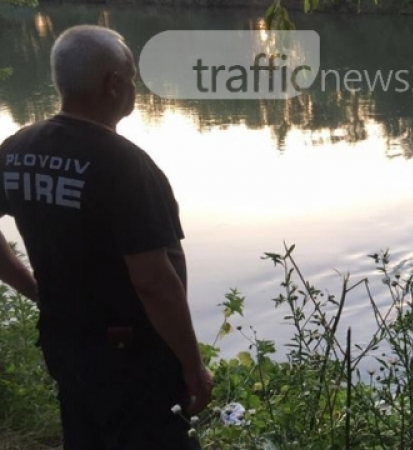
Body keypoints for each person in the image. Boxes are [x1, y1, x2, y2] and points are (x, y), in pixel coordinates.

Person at [0, 25, 212, 450]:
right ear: (113, 84)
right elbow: (153, 281)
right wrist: (192, 365)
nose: (134, 86)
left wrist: (37, 292)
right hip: (131, 357)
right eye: (131, 76)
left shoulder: (16, 149)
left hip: (65, 342)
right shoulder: (125, 166)